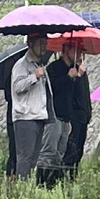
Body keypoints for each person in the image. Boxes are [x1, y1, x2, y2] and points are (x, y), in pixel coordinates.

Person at [37, 42, 84, 186]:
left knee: (60, 154)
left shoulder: (74, 69)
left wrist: (78, 76)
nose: (79, 54)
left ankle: (52, 184)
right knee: (48, 152)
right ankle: (41, 183)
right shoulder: (54, 68)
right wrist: (68, 77)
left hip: (66, 118)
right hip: (54, 115)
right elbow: (51, 88)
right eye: (76, 50)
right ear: (66, 50)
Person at [11, 34, 55, 179]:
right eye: (40, 43)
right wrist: (34, 77)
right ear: (30, 44)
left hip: (38, 116)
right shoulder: (21, 65)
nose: (44, 47)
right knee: (25, 157)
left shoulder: (39, 65)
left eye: (45, 43)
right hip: (25, 117)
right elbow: (17, 86)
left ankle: (28, 186)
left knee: (33, 158)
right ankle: (21, 187)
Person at [62, 54, 92, 179]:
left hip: (83, 118)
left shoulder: (83, 73)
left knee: (79, 149)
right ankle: (66, 176)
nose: (81, 56)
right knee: (72, 148)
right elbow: (69, 93)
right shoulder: (72, 72)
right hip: (74, 117)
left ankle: (74, 175)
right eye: (78, 53)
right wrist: (77, 76)